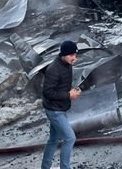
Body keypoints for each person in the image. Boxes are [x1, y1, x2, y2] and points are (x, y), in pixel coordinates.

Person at [41, 40, 81, 169]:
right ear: (63, 54)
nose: (74, 58)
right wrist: (68, 95)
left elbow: (61, 85)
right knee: (70, 138)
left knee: (53, 140)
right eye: (71, 55)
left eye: (75, 54)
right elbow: (47, 92)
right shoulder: (53, 69)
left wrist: (72, 90)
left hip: (59, 108)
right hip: (54, 111)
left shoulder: (66, 63)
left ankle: (45, 167)